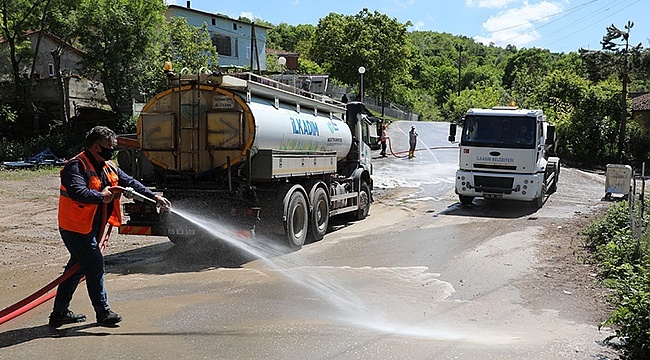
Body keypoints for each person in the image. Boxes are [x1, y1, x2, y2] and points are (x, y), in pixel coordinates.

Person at [49, 126, 171, 327]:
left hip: (92, 227)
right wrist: (101, 196)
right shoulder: (76, 166)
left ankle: (59, 312)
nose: (112, 150)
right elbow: (78, 192)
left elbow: (129, 182)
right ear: (96, 147)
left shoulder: (108, 166)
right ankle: (103, 313)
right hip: (75, 228)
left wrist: (153, 196)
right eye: (109, 147)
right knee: (95, 266)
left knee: (77, 269)